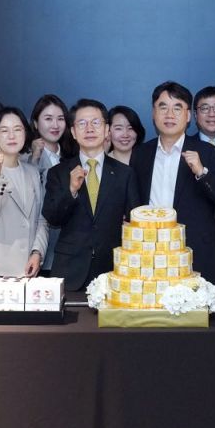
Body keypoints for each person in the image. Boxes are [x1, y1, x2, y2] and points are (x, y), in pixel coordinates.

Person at [131, 81, 215, 286]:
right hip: (150, 253)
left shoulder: (208, 153)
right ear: (153, 113)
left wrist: (201, 172)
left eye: (177, 108)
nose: (170, 114)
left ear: (188, 116)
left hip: (196, 255)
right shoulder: (141, 154)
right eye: (163, 107)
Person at [43, 99, 141, 291]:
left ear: (106, 130)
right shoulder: (59, 172)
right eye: (82, 123)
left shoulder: (125, 174)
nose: (89, 129)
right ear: (73, 132)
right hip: (70, 270)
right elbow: (53, 217)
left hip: (113, 270)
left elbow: (134, 223)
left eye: (96, 123)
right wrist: (71, 190)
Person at [0, 107, 48, 277]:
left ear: (26, 133)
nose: (12, 136)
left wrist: (37, 252)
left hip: (27, 269)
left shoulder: (32, 172)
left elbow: (41, 219)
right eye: (4, 130)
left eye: (18, 129)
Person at [29, 94, 73, 275]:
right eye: (48, 119)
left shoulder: (73, 157)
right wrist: (34, 158)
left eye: (60, 119)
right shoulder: (25, 157)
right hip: (35, 245)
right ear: (35, 123)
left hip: (67, 247)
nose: (55, 125)